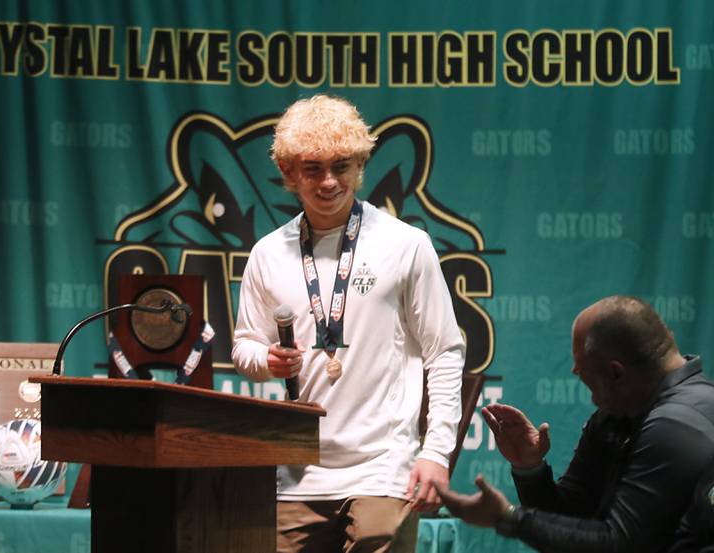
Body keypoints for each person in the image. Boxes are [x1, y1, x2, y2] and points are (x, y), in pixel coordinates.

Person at [231, 94, 465, 552]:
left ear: (360, 167)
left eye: (342, 166)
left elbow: (444, 352)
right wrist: (266, 359)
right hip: (299, 472)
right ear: (288, 173)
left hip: (384, 467)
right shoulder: (267, 253)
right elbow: (244, 344)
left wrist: (436, 452)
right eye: (312, 168)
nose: (329, 181)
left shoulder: (405, 245)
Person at [437, 295, 714, 552]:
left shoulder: (677, 425)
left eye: (582, 368)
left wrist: (508, 517)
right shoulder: (616, 416)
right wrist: (530, 469)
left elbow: (620, 545)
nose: (574, 372)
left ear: (615, 372)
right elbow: (568, 519)